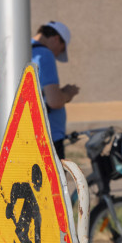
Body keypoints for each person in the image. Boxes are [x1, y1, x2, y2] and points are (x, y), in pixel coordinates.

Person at [30, 21, 79, 160]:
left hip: (28, 135)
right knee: (54, 182)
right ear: (56, 39)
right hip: (46, 137)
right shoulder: (44, 54)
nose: (57, 54)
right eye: (61, 49)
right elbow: (54, 101)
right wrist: (68, 93)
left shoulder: (22, 48)